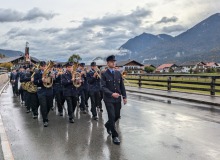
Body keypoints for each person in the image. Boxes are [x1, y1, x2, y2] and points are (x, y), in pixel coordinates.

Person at [101, 55, 127, 145]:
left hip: (117, 99)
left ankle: (108, 125)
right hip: (108, 99)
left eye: (114, 61)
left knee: (117, 116)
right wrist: (111, 93)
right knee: (111, 116)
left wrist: (124, 97)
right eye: (112, 61)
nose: (113, 63)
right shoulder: (104, 74)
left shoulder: (118, 73)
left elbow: (121, 86)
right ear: (108, 63)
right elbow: (103, 87)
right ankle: (115, 136)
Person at [34, 61, 54, 127]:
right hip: (41, 91)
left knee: (49, 105)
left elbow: (54, 80)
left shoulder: (49, 72)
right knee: (43, 106)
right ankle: (45, 120)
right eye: (42, 66)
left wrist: (53, 77)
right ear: (40, 67)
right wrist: (41, 80)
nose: (44, 67)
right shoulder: (37, 73)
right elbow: (34, 82)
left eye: (45, 66)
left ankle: (45, 115)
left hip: (49, 90)